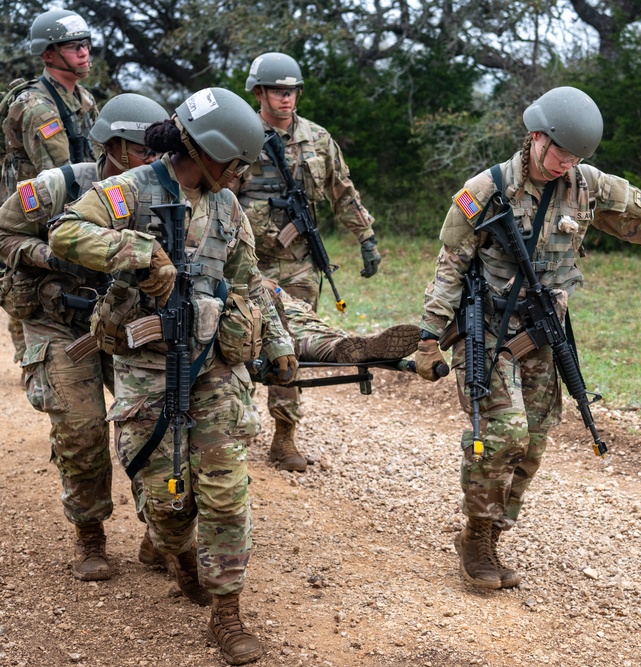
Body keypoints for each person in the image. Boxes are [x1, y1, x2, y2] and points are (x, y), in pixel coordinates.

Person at [414, 86, 641, 589]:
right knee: (503, 432)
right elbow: (450, 265)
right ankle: (477, 537)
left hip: (541, 329)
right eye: (558, 151)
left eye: (575, 156)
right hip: (485, 325)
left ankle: (491, 535)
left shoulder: (586, 187)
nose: (563, 163)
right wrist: (427, 338)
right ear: (534, 137)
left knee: (535, 439)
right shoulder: (483, 191)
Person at [49, 87, 296, 666]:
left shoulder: (227, 206)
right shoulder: (129, 190)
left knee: (225, 491)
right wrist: (140, 253)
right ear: (208, 151)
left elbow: (251, 278)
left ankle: (227, 612)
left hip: (213, 364)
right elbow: (64, 230)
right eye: (235, 162)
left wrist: (280, 343)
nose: (240, 174)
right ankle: (179, 554)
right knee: (164, 502)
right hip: (144, 369)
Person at [0, 93, 169, 582]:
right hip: (59, 322)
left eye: (159, 150)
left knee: (154, 421)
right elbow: (3, 233)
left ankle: (161, 528)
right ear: (113, 145)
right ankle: (89, 531)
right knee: (83, 429)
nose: (152, 160)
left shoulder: (159, 191)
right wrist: (49, 257)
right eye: (141, 149)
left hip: (121, 322)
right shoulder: (61, 185)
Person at [236, 52, 382, 471]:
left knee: (290, 351)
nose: (287, 99)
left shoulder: (318, 139)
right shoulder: (241, 135)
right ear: (259, 93)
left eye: (292, 91)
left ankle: (284, 438)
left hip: (299, 266)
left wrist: (365, 237)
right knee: (237, 342)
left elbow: (342, 191)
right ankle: (231, 431)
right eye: (278, 91)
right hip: (247, 264)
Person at [1, 9, 100, 364]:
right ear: (48, 54)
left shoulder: (83, 99)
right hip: (40, 217)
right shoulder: (38, 107)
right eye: (74, 47)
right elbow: (59, 179)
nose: (84, 53)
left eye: (86, 45)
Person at [264, 278, 419, 366]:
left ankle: (342, 343)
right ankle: (339, 345)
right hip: (257, 305)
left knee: (304, 325)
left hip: (272, 297)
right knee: (295, 335)